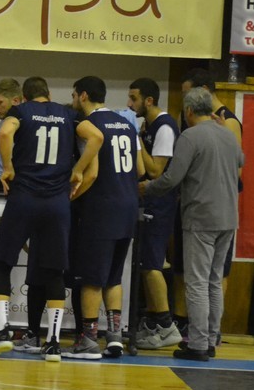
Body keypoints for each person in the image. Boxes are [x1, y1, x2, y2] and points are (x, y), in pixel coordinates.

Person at [0, 76, 103, 361]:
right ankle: (53, 343)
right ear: (48, 94)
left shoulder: (22, 112)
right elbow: (97, 137)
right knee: (54, 271)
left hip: (24, 197)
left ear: (24, 97)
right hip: (56, 203)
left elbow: (4, 134)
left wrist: (8, 167)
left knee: (3, 262)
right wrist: (78, 169)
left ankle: (2, 331)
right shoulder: (67, 114)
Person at [141, 87, 243, 361]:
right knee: (214, 280)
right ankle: (210, 339)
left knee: (196, 282)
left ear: (188, 111)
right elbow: (241, 162)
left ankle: (197, 344)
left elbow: (172, 178)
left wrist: (147, 188)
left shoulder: (190, 136)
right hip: (229, 218)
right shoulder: (228, 134)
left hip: (201, 217)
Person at [66, 75, 142, 359]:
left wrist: (70, 196)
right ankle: (114, 337)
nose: (74, 100)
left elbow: (92, 173)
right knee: (113, 276)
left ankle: (88, 340)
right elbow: (140, 168)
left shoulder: (89, 125)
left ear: (83, 95)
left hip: (103, 206)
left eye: (74, 95)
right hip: (128, 205)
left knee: (91, 278)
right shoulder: (126, 124)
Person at [172, 67, 244, 340]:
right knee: (198, 277)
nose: (184, 100)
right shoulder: (201, 124)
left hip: (209, 209)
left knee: (208, 279)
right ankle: (203, 332)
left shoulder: (227, 123)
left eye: (187, 94)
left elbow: (236, 168)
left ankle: (205, 336)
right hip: (210, 208)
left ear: (202, 92)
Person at [127, 77, 182, 350]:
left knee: (152, 264)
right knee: (145, 264)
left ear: (149, 100)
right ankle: (152, 322)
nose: (130, 104)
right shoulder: (148, 125)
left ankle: (166, 324)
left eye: (134, 98)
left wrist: (136, 140)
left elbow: (155, 171)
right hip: (148, 203)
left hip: (161, 204)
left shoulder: (165, 127)